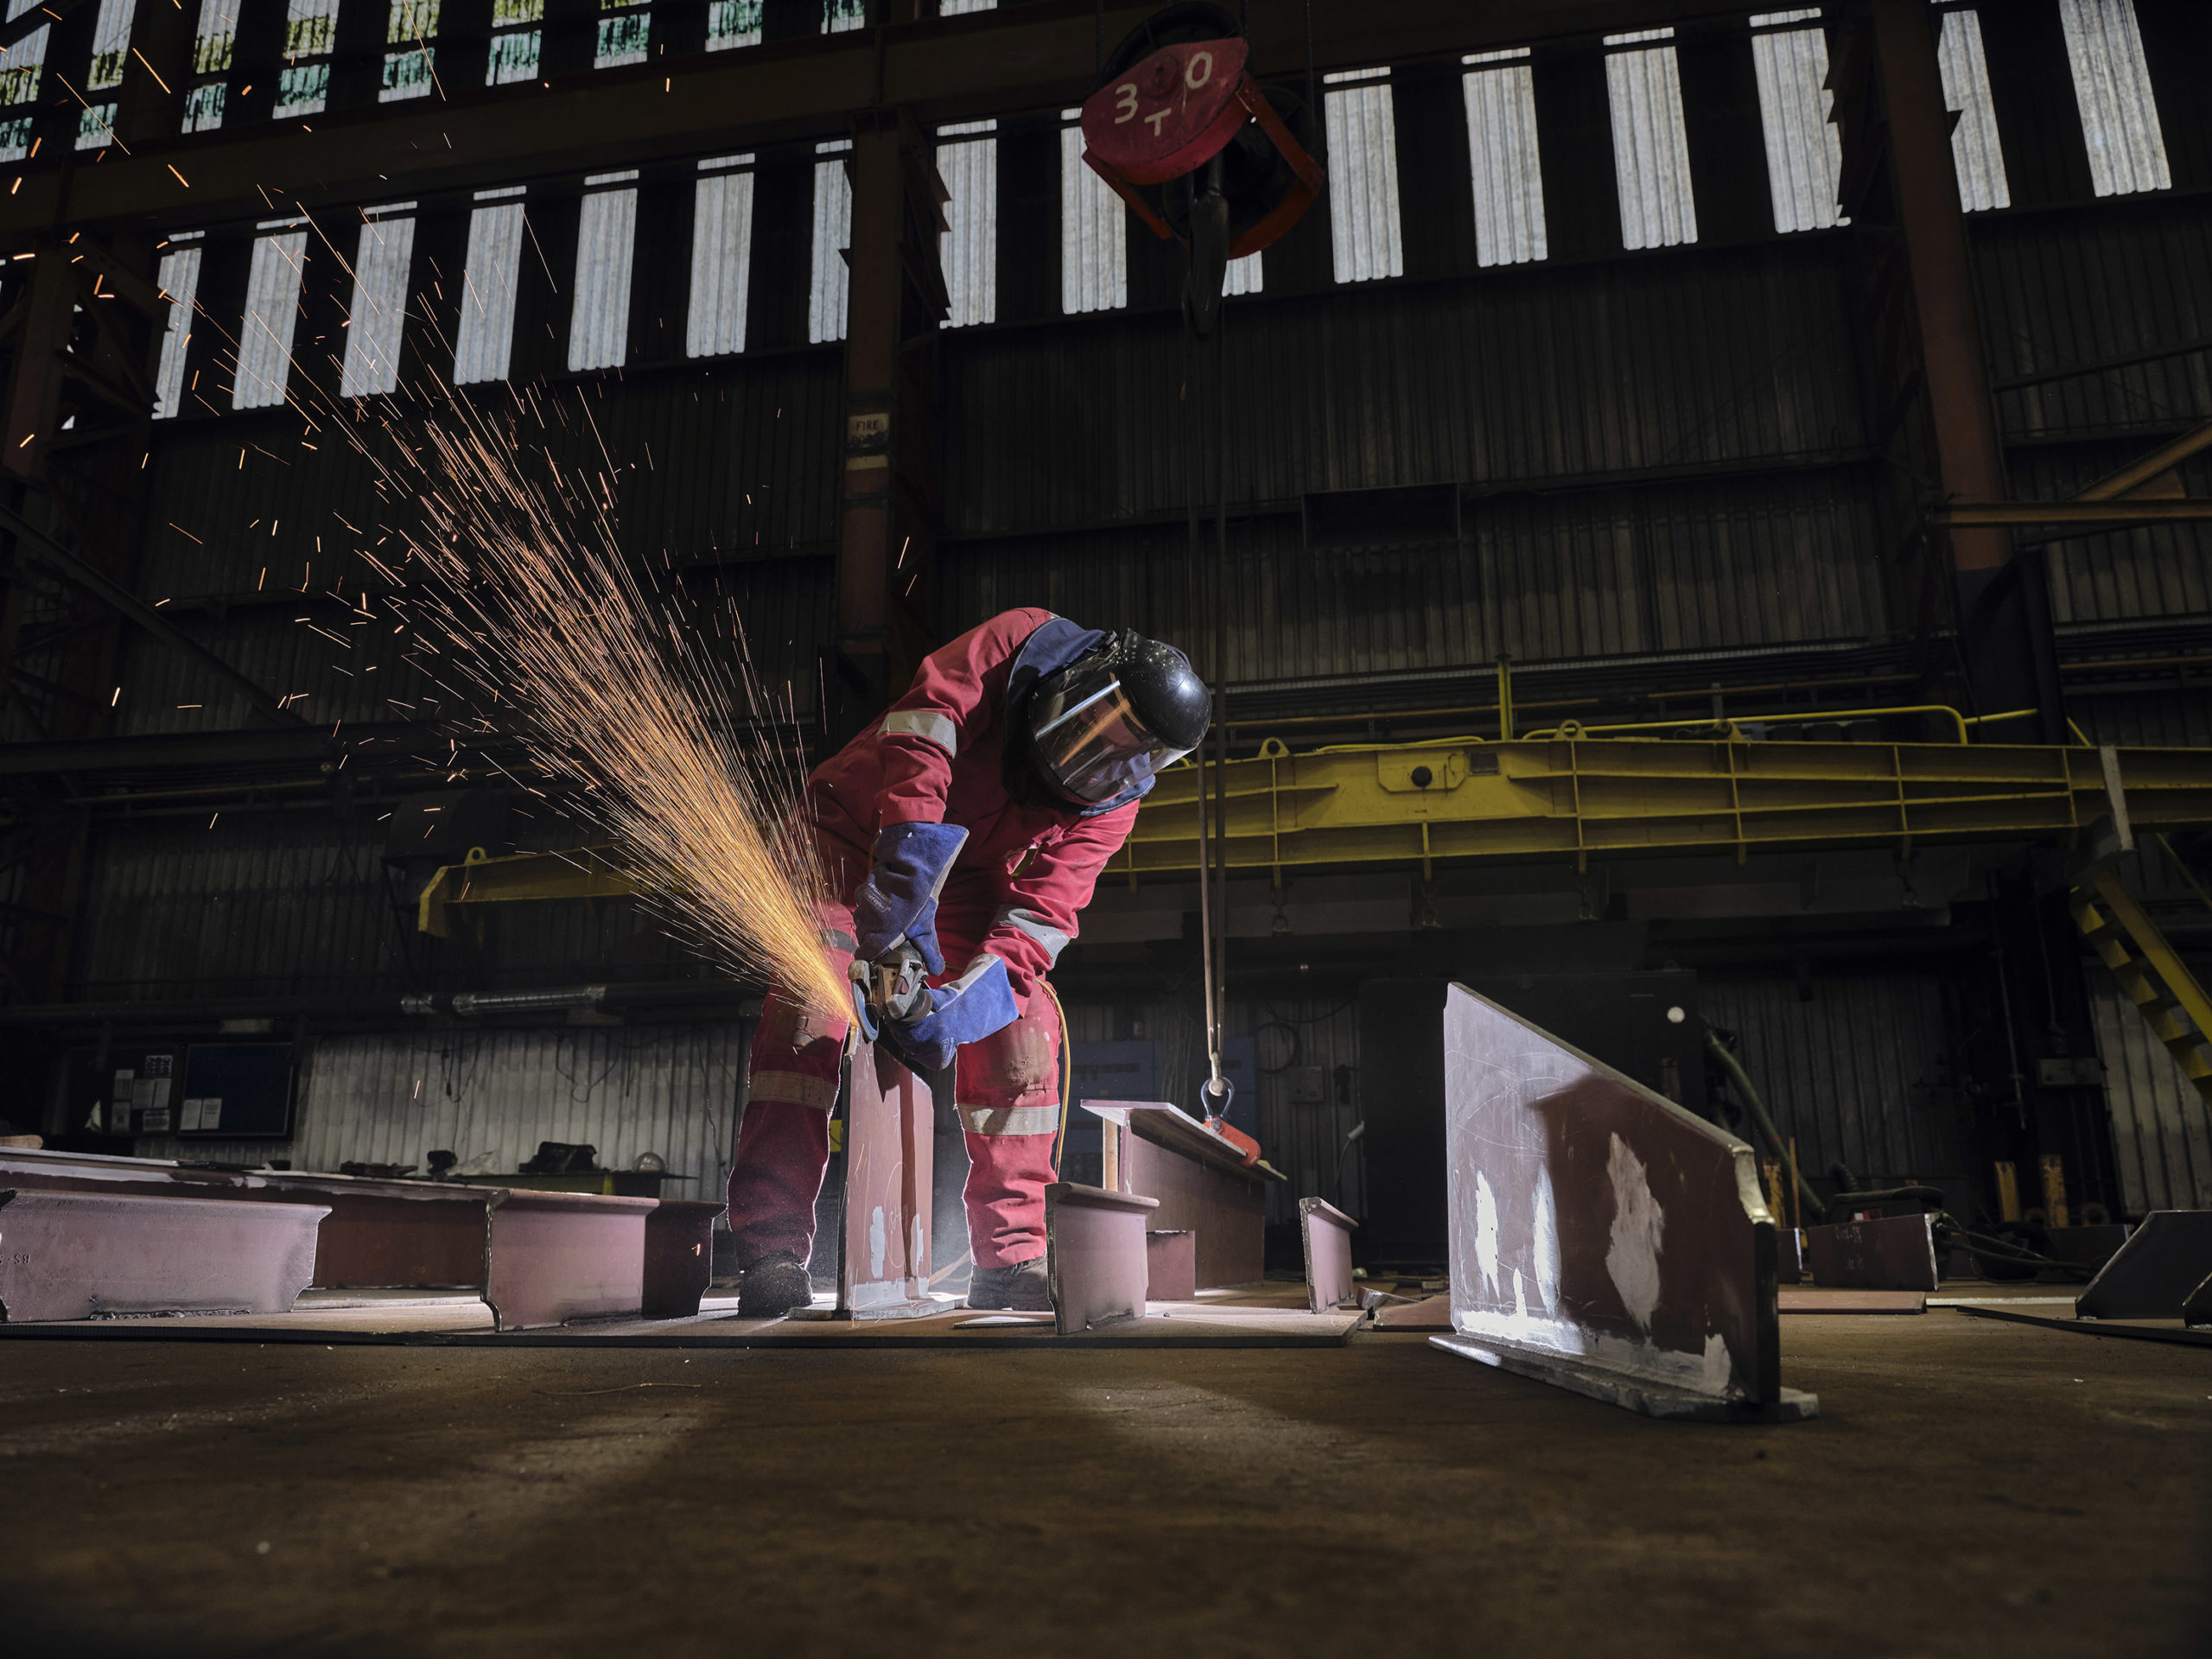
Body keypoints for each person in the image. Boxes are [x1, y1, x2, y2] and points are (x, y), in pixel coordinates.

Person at [729, 609, 1211, 1315]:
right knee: (813, 1008)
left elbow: (1038, 926)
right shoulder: (1017, 642)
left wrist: (952, 1013)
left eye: (1126, 756)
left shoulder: (1111, 804)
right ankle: (770, 1249)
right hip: (844, 840)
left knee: (1025, 1028)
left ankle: (1011, 1257)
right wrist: (905, 891)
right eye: (1095, 730)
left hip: (963, 878)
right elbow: (925, 729)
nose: (1097, 758)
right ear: (1075, 681)